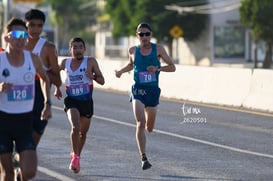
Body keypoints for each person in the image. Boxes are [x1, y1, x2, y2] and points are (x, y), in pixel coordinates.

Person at [115, 22, 176, 170]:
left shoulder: (158, 49)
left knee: (149, 127)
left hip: (152, 91)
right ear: (137, 36)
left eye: (146, 34)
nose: (144, 37)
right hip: (138, 90)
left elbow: (172, 67)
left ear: (151, 35)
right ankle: (143, 158)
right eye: (141, 34)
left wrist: (157, 68)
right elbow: (131, 65)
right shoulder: (132, 50)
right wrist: (121, 71)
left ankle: (146, 138)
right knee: (140, 123)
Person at [0, 18, 52, 181]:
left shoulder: (33, 59)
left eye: (24, 34)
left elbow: (45, 79)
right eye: (16, 34)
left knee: (29, 172)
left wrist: (47, 103)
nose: (21, 38)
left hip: (24, 121)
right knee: (7, 173)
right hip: (2, 121)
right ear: (7, 38)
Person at [54, 37, 105, 173]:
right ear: (70, 49)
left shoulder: (91, 62)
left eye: (80, 47)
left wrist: (93, 76)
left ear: (84, 49)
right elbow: (55, 72)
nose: (77, 50)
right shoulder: (65, 62)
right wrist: (57, 87)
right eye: (74, 47)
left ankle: (77, 156)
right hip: (72, 100)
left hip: (86, 102)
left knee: (83, 133)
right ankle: (75, 157)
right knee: (75, 127)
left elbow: (102, 80)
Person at [24, 9, 62, 146]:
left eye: (39, 26)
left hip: (39, 99)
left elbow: (58, 80)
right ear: (25, 25)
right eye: (32, 25)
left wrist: (40, 70)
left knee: (31, 145)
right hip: (19, 97)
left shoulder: (48, 48)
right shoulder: (16, 46)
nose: (35, 29)